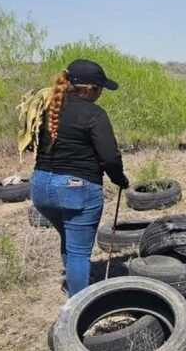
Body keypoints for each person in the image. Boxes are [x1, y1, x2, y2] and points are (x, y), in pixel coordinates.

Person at [29, 59, 129, 297]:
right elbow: (109, 157)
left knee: (69, 237)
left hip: (40, 186)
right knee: (79, 253)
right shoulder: (94, 114)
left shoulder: (48, 107)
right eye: (100, 88)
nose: (101, 93)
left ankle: (75, 285)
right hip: (76, 188)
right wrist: (120, 180)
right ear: (89, 88)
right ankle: (79, 309)